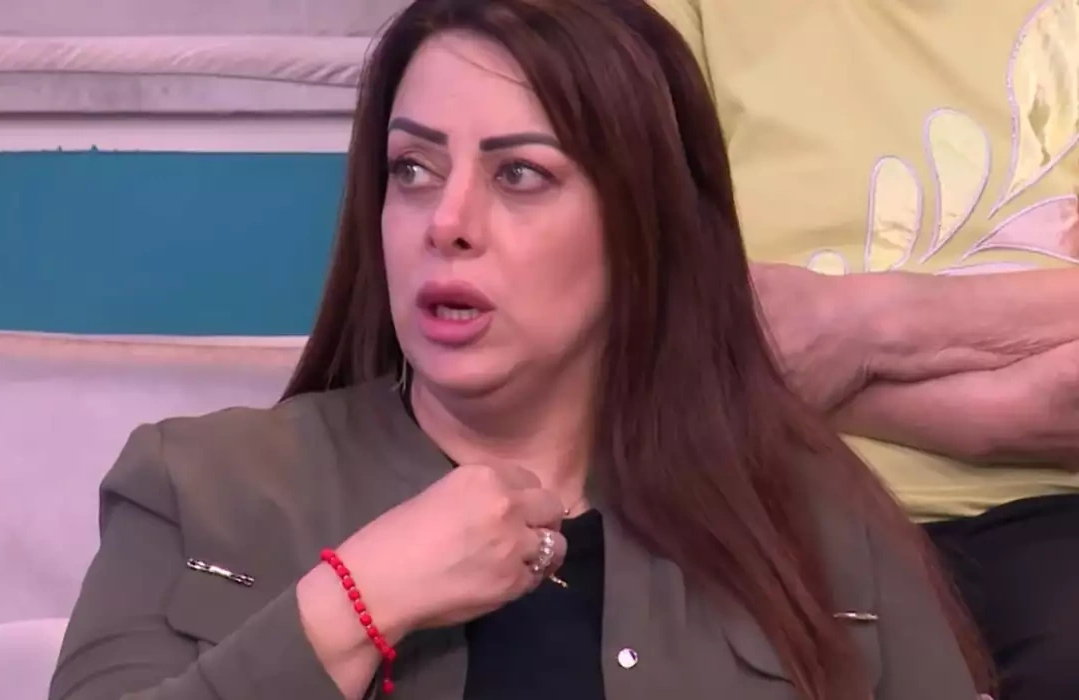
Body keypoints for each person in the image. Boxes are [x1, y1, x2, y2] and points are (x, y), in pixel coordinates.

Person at [49, 1, 990, 699]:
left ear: (643, 225)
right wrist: (360, 600)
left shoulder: (821, 522)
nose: (447, 221)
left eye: (522, 175)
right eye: (413, 169)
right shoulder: (197, 486)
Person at [650, 1, 1079, 698]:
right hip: (755, 498)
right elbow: (641, 306)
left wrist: (859, 325)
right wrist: (1010, 389)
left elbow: (721, 337)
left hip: (1052, 518)